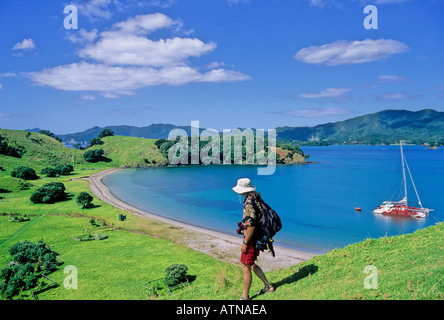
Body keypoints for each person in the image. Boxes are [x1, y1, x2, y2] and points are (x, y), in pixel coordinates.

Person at [232, 178, 275, 300]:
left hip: (251, 239)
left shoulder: (249, 203)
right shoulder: (255, 198)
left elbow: (251, 225)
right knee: (250, 264)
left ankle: (245, 297)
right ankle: (268, 286)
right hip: (255, 237)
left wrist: (245, 242)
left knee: (245, 266)